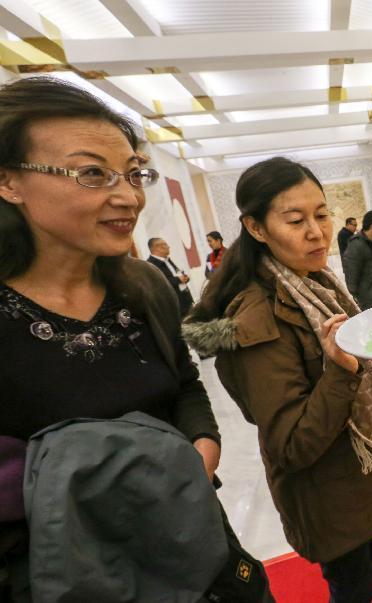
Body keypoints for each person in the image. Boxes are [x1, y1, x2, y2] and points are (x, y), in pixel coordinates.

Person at [0, 76, 222, 598]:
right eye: (92, 174)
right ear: (9, 182)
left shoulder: (142, 286)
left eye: (133, 174)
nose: (128, 197)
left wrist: (201, 448)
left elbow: (184, 384)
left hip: (182, 534)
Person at [183, 157, 372, 603]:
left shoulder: (314, 283)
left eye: (321, 214)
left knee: (367, 570)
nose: (316, 232)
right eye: (295, 219)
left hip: (356, 484)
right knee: (353, 589)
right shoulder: (257, 318)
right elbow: (291, 444)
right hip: (328, 499)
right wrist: (339, 370)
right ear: (257, 228)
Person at [147, 237, 194, 317]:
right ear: (157, 247)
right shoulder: (150, 265)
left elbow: (176, 274)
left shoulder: (167, 260)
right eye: (165, 244)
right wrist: (178, 279)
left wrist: (184, 278)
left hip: (186, 302)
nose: (168, 247)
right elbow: (157, 285)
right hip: (174, 308)